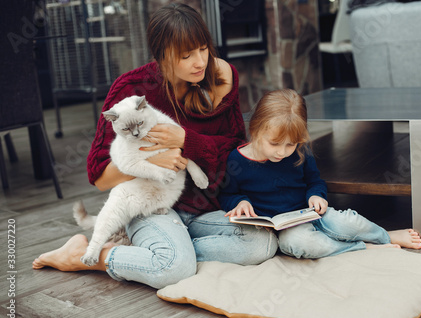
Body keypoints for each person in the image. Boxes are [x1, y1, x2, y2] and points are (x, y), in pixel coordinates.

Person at [32, 3, 278, 289]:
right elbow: (98, 176)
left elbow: (237, 151)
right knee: (173, 269)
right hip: (151, 205)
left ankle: (167, 248)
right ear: (162, 57)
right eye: (186, 56)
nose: (199, 62)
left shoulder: (223, 77)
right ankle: (88, 255)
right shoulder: (131, 90)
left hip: (204, 207)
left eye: (203, 49)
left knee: (261, 243)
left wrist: (187, 141)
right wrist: (150, 163)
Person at [218, 89, 421, 259]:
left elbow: (314, 181)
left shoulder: (300, 152)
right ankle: (361, 247)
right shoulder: (237, 161)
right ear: (256, 130)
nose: (282, 152)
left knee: (347, 222)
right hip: (283, 230)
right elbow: (227, 194)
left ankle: (384, 235)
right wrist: (239, 202)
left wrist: (316, 195)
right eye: (274, 143)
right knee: (303, 244)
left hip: (308, 213)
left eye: (290, 144)